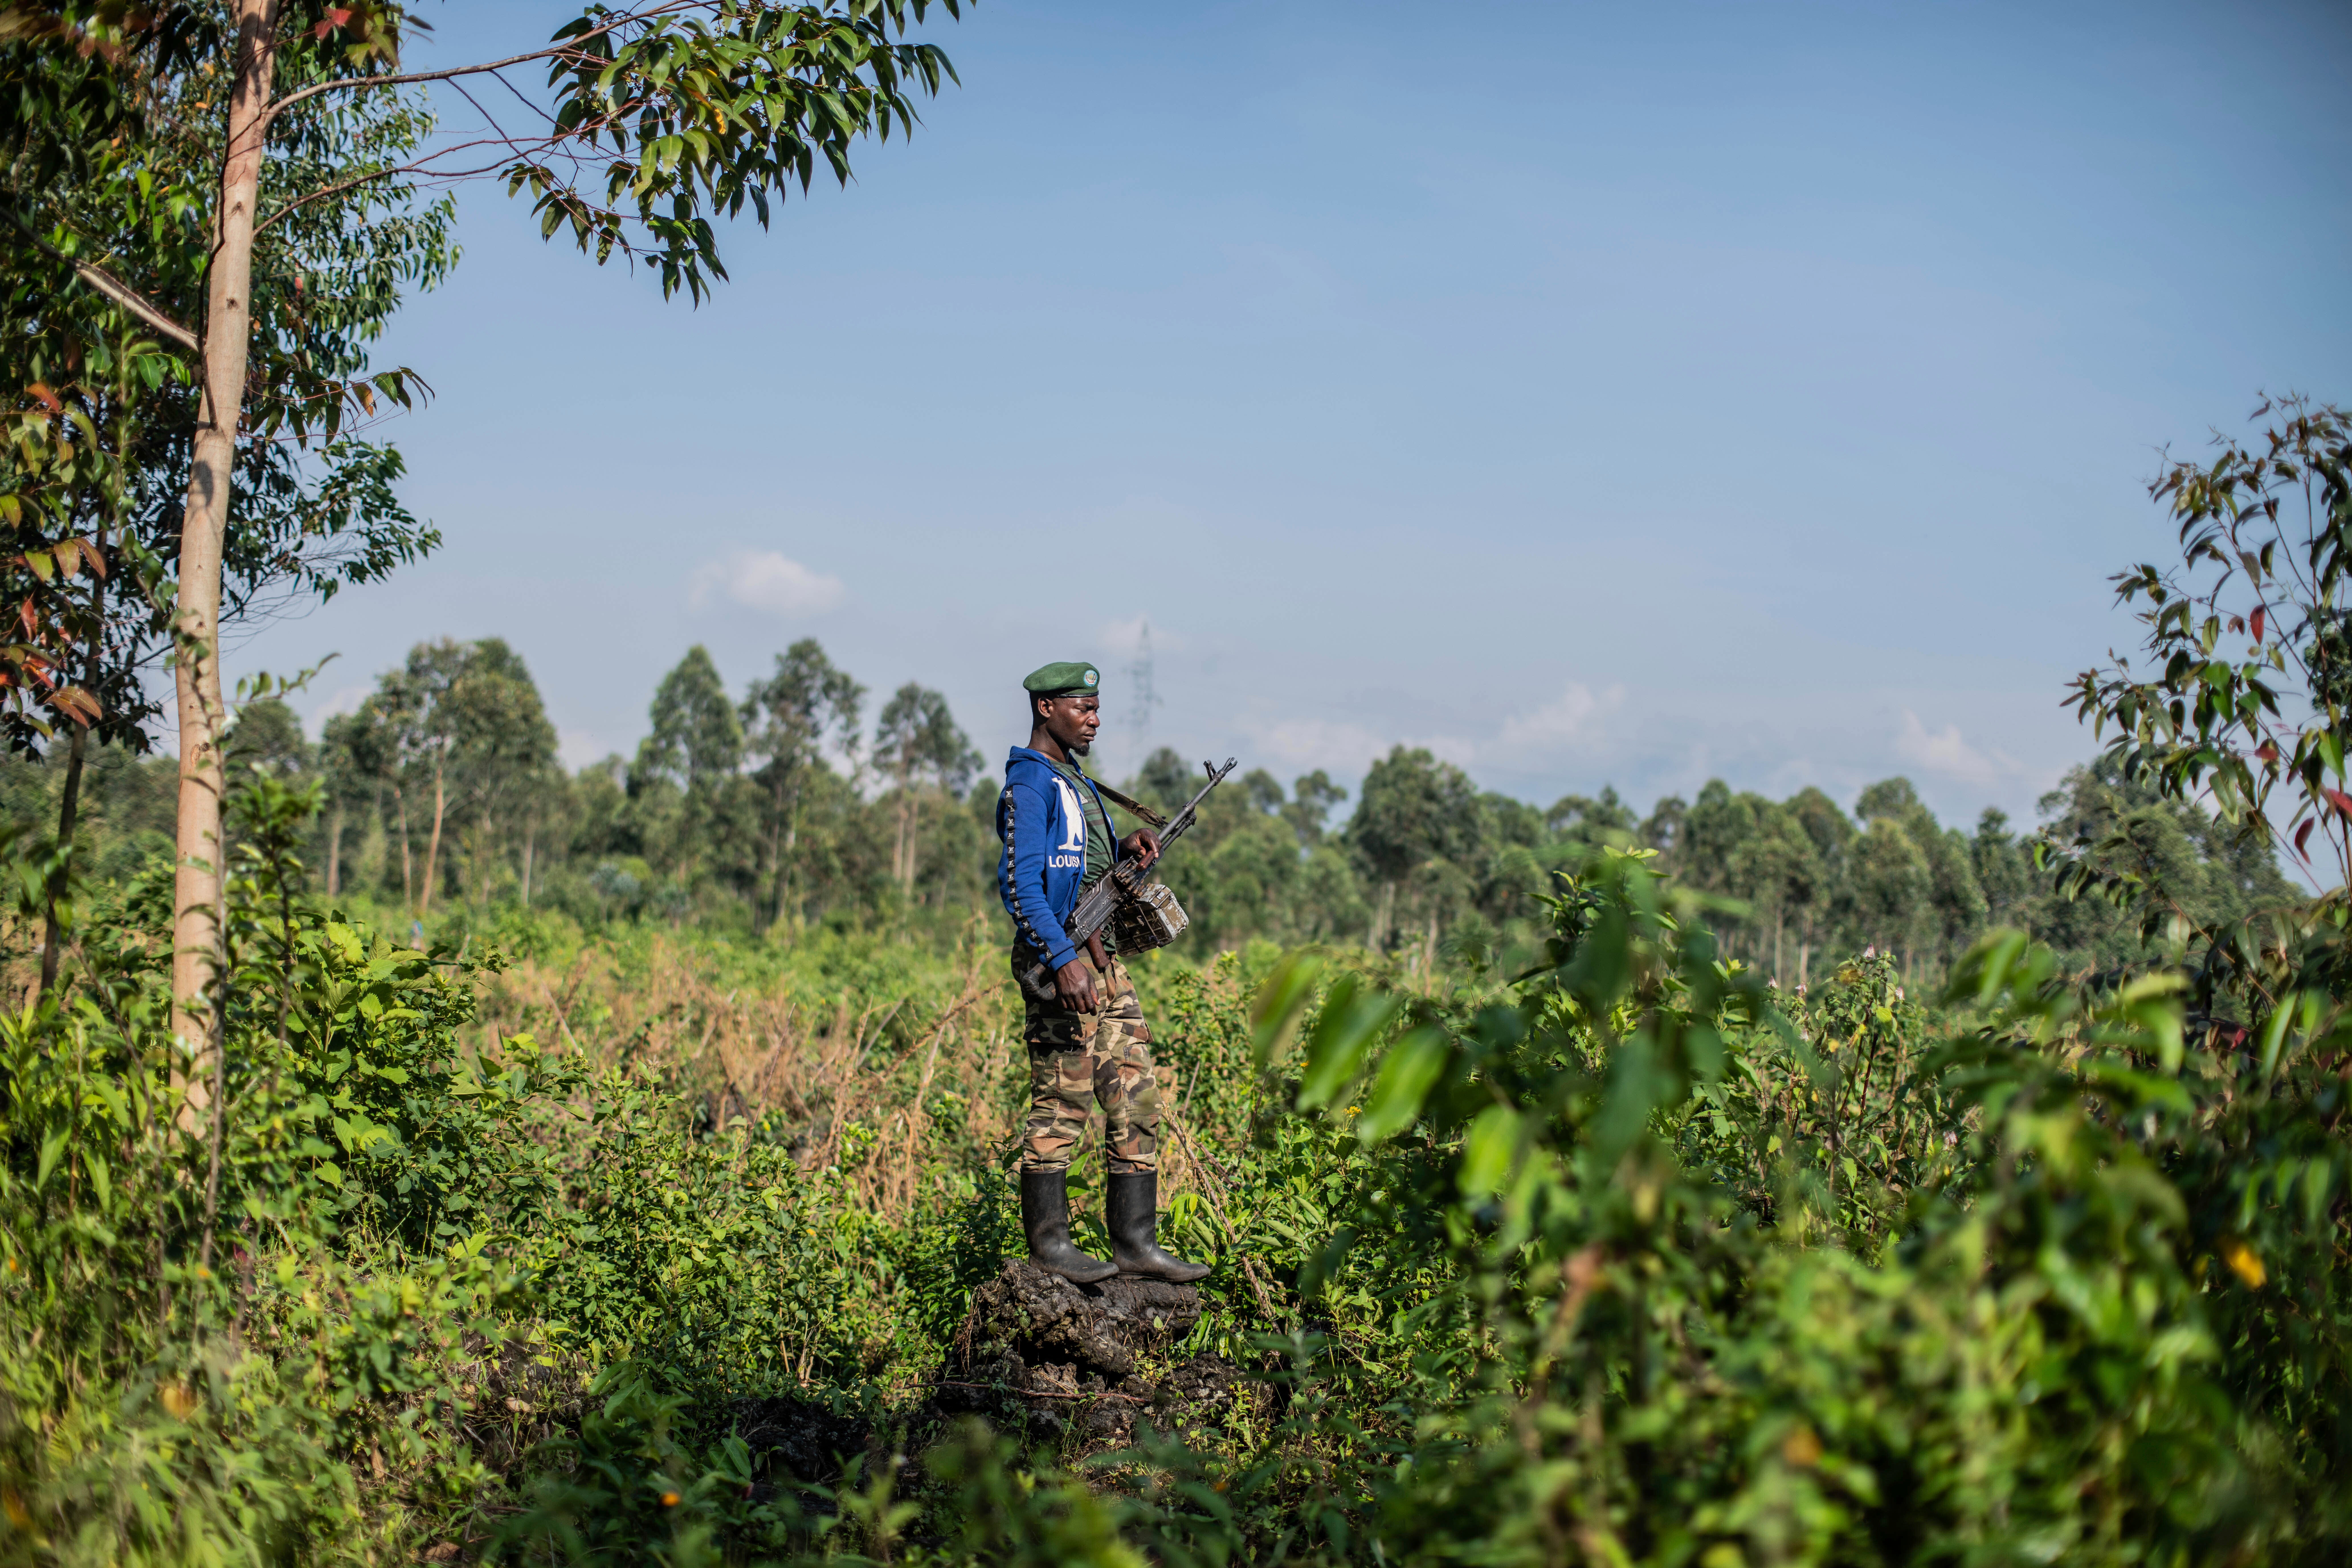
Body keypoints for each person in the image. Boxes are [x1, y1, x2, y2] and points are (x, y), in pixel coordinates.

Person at [995, 661, 1210, 1284]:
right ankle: (1050, 1249)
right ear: (1046, 709)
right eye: (1081, 708)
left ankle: (1136, 1244)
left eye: (1095, 708)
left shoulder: (1075, 781)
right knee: (1062, 1102)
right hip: (1061, 963)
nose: (1094, 719)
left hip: (1103, 961)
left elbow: (1082, 864)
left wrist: (1127, 849)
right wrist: (1062, 960)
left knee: (1137, 1094)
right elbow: (1020, 884)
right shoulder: (1030, 786)